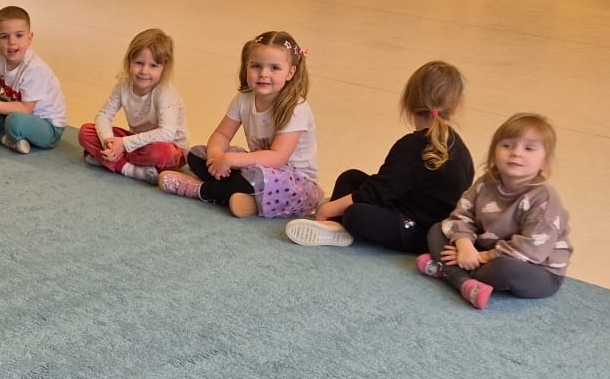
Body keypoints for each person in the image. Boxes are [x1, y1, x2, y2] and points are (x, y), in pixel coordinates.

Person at [285, 60, 472, 251]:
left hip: (420, 231)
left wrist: (328, 209)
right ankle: (335, 226)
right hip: (410, 208)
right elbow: (387, 187)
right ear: (455, 106)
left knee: (355, 214)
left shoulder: (412, 146)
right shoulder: (459, 147)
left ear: (408, 100)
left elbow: (377, 193)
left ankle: (336, 222)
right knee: (350, 178)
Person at [419, 112, 572, 309]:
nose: (516, 153)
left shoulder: (544, 199)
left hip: (536, 268)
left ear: (544, 161)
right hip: (484, 250)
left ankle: (450, 271)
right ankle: (464, 282)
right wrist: (465, 246)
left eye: (529, 148)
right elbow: (462, 215)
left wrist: (481, 257)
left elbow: (531, 249)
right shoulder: (486, 183)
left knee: (506, 270)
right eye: (507, 145)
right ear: (493, 153)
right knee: (438, 229)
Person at [160, 30, 320, 218]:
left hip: (295, 184)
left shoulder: (296, 108)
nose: (263, 74)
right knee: (196, 155)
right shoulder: (244, 99)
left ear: (290, 72)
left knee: (255, 175)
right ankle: (241, 197)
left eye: (275, 68)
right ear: (246, 67)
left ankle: (202, 190)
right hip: (258, 169)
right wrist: (216, 156)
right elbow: (222, 134)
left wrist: (230, 160)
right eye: (256, 66)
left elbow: (277, 158)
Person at [78, 27, 188, 183]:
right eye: (139, 63)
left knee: (161, 152)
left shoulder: (165, 93)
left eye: (153, 66)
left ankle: (111, 161)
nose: (144, 71)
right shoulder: (124, 85)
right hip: (136, 144)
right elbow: (104, 115)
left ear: (164, 69)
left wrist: (123, 144)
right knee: (85, 132)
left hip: (168, 148)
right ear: (128, 62)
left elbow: (167, 133)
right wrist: (108, 141)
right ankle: (131, 169)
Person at [0, 5, 66, 154]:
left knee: (14, 120)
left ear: (29, 38)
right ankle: (6, 138)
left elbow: (26, 108)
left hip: (48, 125)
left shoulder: (35, 68)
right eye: (4, 37)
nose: (12, 42)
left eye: (19, 35)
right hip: (20, 113)